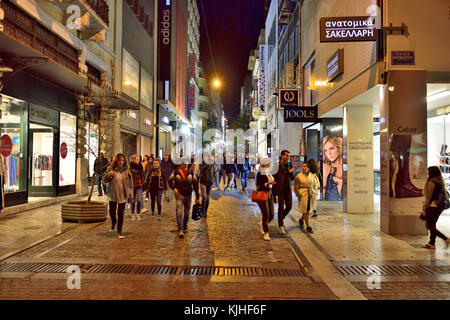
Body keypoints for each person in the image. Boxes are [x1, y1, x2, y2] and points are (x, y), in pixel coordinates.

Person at [104, 154, 134, 239]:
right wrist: (109, 175)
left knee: (121, 213)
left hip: (123, 195)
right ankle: (113, 222)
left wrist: (131, 194)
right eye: (119, 160)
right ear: (116, 161)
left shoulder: (127, 171)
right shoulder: (111, 169)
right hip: (112, 194)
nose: (121, 162)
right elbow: (104, 180)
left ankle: (119, 230)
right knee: (112, 212)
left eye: (122, 160)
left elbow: (131, 184)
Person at [168, 161, 200, 239]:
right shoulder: (175, 172)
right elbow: (169, 180)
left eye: (186, 162)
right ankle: (180, 230)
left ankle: (185, 225)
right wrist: (174, 188)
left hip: (188, 195)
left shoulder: (191, 173)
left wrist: (197, 197)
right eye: (183, 162)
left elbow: (195, 184)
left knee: (187, 212)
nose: (184, 164)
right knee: (179, 212)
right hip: (179, 195)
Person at [421, 166, 450, 249]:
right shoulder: (440, 182)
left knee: (429, 226)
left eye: (428, 172)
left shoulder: (431, 182)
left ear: (431, 173)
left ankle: (446, 239)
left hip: (433, 206)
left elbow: (428, 197)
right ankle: (431, 243)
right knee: (432, 225)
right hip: (439, 207)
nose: (427, 173)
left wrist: (424, 208)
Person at [274, 150, 295, 235]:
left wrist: (291, 173)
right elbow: (273, 178)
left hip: (287, 189)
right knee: (281, 207)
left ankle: (280, 219)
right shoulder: (276, 165)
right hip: (280, 190)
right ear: (282, 156)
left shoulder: (289, 165)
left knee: (289, 206)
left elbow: (292, 178)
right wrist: (274, 192)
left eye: (289, 156)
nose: (288, 157)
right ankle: (280, 225)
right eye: (286, 155)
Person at [256, 158, 277, 241]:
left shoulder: (269, 172)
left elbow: (274, 183)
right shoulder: (260, 173)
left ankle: (263, 223)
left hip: (271, 194)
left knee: (271, 214)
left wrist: (275, 196)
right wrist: (267, 184)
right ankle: (266, 232)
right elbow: (259, 185)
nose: (271, 163)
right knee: (266, 214)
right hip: (264, 194)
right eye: (270, 162)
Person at [322, 136, 343, 200]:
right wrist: (325, 178)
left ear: (339, 148)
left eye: (331, 148)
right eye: (325, 150)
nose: (328, 153)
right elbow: (322, 199)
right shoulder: (325, 171)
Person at [295, 163, 313, 233]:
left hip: (309, 194)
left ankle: (301, 220)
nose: (303, 167)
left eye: (305, 166)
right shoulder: (298, 176)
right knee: (306, 211)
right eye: (302, 166)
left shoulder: (311, 175)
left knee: (307, 210)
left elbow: (314, 183)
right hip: (302, 194)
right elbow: (296, 187)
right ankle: (308, 226)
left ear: (308, 168)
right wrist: (298, 194)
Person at [199, 154, 215, 218]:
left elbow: (214, 171)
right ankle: (203, 212)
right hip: (203, 182)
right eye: (203, 157)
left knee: (207, 198)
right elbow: (202, 169)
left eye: (205, 156)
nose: (204, 158)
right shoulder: (202, 163)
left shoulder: (212, 163)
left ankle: (205, 211)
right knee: (204, 197)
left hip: (209, 182)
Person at [129, 154, 145, 221]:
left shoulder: (140, 166)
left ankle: (138, 214)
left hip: (139, 185)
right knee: (133, 200)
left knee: (139, 200)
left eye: (138, 159)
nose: (138, 160)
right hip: (132, 186)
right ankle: (132, 214)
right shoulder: (129, 167)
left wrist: (143, 183)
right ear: (133, 160)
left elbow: (142, 175)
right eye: (137, 159)